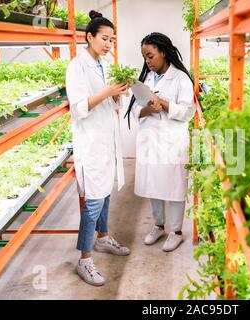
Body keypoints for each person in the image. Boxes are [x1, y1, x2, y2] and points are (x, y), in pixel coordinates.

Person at [66, 10, 130, 286]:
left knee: (104, 196)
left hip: (106, 140)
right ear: (89, 37)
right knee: (92, 202)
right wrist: (107, 92)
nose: (108, 44)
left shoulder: (103, 65)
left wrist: (119, 95)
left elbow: (108, 105)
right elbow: (79, 108)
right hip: (91, 143)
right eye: (104, 38)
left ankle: (103, 239)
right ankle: (85, 260)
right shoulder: (77, 66)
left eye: (112, 40)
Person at [126, 32, 195, 252]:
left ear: (163, 52)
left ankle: (175, 231)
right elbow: (136, 109)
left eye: (150, 56)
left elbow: (187, 112)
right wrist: (148, 108)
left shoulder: (181, 78)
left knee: (174, 186)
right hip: (150, 139)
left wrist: (163, 103)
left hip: (172, 141)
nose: (148, 62)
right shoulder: (145, 79)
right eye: (145, 57)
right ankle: (158, 225)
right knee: (154, 184)